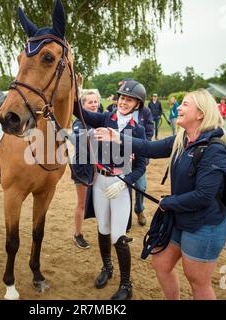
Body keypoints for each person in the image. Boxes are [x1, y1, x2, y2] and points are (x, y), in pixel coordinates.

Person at [94, 88, 226, 300]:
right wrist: (118, 137)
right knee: (161, 263)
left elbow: (204, 195)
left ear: (201, 114)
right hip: (179, 216)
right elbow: (148, 148)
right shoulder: (182, 138)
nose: (178, 108)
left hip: (204, 224)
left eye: (185, 104)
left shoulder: (214, 149)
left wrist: (168, 202)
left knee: (197, 280)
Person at [73, 79, 147, 300]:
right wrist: (76, 91)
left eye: (129, 99)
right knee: (103, 228)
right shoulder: (106, 118)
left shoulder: (139, 130)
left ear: (137, 104)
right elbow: (81, 113)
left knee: (118, 235)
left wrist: (125, 181)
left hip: (120, 186)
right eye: (122, 97)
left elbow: (142, 165)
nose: (124, 102)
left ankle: (126, 284)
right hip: (100, 182)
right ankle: (107, 267)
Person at [71, 90, 101, 249]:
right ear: (82, 105)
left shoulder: (101, 118)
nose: (94, 105)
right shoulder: (78, 122)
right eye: (90, 102)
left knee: (101, 201)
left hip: (99, 166)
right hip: (82, 166)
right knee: (82, 203)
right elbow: (78, 140)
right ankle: (77, 234)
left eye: (96, 101)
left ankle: (105, 231)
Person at [132, 98, 153, 227]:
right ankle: (124, 215)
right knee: (125, 188)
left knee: (141, 187)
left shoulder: (145, 111)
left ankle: (139, 210)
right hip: (123, 158)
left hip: (140, 156)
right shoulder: (117, 110)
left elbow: (149, 132)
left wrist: (143, 147)